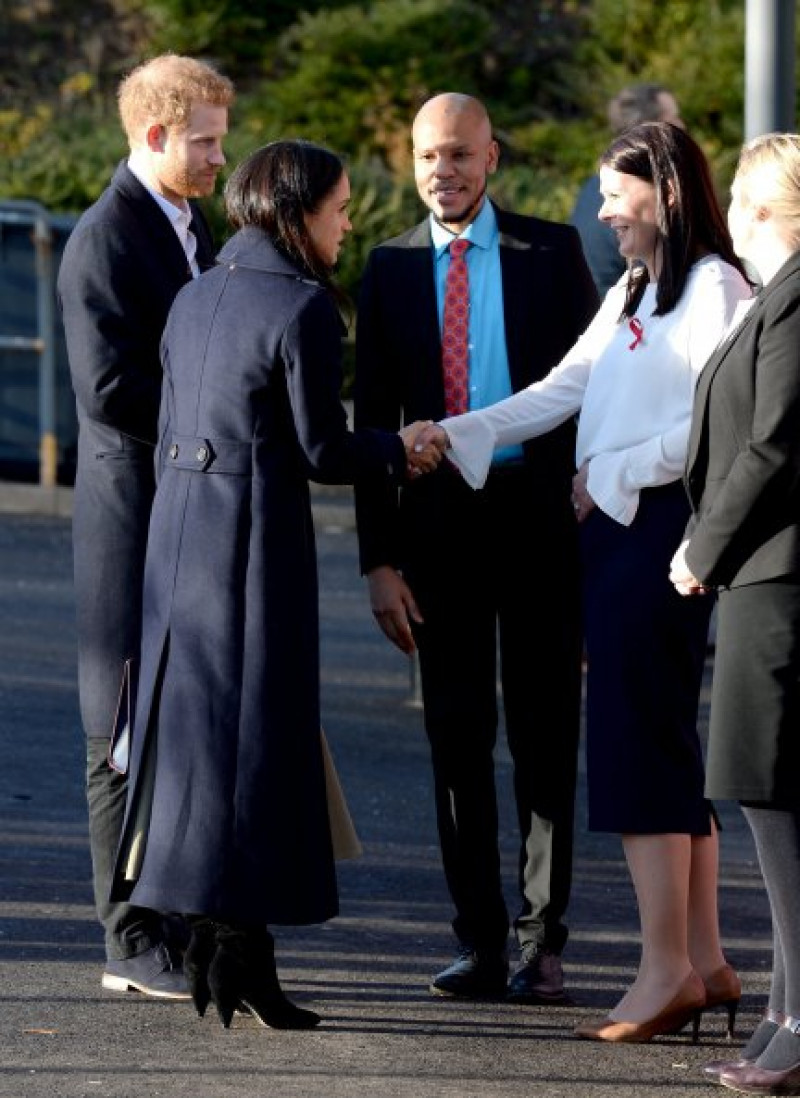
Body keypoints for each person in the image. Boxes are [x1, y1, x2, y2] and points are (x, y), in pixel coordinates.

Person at [418, 121, 753, 1041]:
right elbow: (564, 385)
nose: (602, 210)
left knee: (639, 747)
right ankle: (708, 963)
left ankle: (665, 972)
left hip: (655, 535)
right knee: (662, 745)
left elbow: (714, 429)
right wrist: (459, 430)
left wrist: (607, 474)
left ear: (668, 194)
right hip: (618, 536)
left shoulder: (717, 287)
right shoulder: (639, 286)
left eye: (617, 193)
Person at [108, 140, 442, 1030]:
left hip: (178, 541)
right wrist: (399, 449)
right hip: (251, 547)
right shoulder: (300, 309)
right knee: (258, 747)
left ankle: (236, 949)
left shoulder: (195, 294)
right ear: (297, 213)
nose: (345, 226)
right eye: (336, 211)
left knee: (200, 747)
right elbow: (323, 449)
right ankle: (232, 946)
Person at [354, 92, 599, 1004]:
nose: (442, 172)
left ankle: (544, 939)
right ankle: (479, 940)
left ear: (491, 157)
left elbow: (592, 389)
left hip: (541, 523)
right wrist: (378, 561)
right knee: (455, 738)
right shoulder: (386, 270)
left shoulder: (552, 253)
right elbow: (370, 423)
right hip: (437, 536)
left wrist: (592, 509)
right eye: (426, 157)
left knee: (544, 736)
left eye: (459, 155)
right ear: (410, 163)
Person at [57, 53, 234, 999]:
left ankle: (162, 917)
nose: (218, 156)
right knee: (120, 728)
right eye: (204, 140)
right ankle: (126, 940)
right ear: (155, 135)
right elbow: (110, 390)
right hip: (132, 519)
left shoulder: (183, 222)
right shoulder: (106, 237)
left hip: (182, 509)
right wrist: (223, 407)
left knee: (170, 722)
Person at [670, 133, 800, 1094]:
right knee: (769, 795)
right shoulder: (780, 298)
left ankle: (798, 1023)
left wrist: (699, 547)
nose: (736, 224)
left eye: (747, 205)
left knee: (775, 795)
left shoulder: (796, 297)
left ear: (770, 210)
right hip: (764, 574)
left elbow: (773, 446)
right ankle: (782, 1014)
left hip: (779, 577)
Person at [570, 83, 683, 297]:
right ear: (650, 129)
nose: (681, 125)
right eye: (672, 119)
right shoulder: (642, 201)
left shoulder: (592, 188)